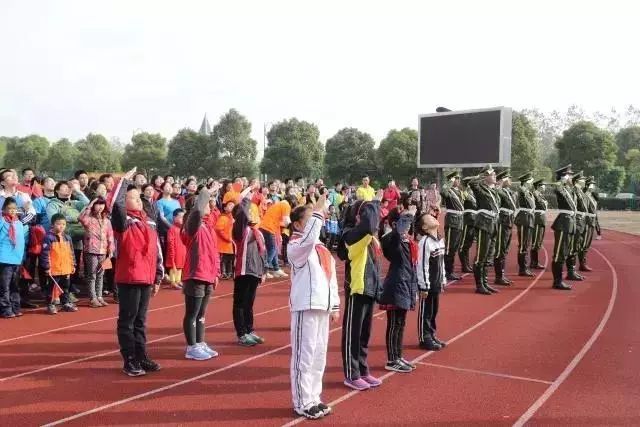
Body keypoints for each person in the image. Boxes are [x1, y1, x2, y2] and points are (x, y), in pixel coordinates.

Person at [288, 195, 340, 420]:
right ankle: (302, 401)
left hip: (322, 306)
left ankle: (314, 397)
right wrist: (318, 210)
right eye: (309, 219)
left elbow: (331, 278)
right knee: (304, 356)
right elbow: (309, 237)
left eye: (316, 218)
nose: (315, 222)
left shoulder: (322, 249)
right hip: (305, 305)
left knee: (319, 356)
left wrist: (335, 305)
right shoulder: (296, 245)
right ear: (299, 224)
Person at [111, 168, 164, 377]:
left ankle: (141, 355)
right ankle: (129, 359)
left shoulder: (149, 221)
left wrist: (158, 276)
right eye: (131, 198)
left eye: (138, 197)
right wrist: (123, 182)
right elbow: (116, 204)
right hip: (130, 277)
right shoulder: (123, 223)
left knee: (141, 321)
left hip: (147, 277)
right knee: (128, 320)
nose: (138, 201)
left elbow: (156, 250)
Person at [340, 189, 384, 391]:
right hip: (357, 288)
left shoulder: (370, 237)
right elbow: (369, 224)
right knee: (353, 332)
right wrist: (374, 202)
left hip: (369, 288)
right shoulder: (351, 235)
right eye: (367, 211)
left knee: (365, 333)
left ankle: (363, 370)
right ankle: (351, 373)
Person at [181, 187, 220, 361]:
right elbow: (196, 212)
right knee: (193, 313)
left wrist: (216, 273)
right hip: (195, 275)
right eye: (206, 204)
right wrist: (206, 192)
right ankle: (191, 346)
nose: (209, 206)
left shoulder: (207, 227)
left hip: (208, 275)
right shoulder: (192, 228)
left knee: (202, 313)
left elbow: (214, 252)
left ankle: (200, 342)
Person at [379, 210, 418, 373]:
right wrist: (397, 230)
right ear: (395, 224)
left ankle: (398, 355)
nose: (407, 227)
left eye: (408, 224)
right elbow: (390, 243)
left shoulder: (408, 241)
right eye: (404, 223)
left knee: (401, 323)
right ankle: (391, 359)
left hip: (406, 285)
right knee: (394, 324)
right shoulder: (390, 239)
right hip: (395, 286)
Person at [232, 184, 267, 347]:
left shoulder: (256, 231)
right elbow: (242, 212)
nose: (252, 214)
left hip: (255, 271)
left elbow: (263, 252)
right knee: (240, 303)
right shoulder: (240, 229)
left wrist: (264, 270)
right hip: (243, 270)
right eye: (249, 212)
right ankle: (241, 333)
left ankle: (249, 329)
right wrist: (249, 192)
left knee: (249, 303)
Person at [415, 211, 447, 350]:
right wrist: (424, 286)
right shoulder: (425, 242)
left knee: (434, 310)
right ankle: (424, 337)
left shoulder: (440, 239)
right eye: (429, 218)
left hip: (437, 282)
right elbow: (422, 265)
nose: (433, 217)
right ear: (425, 228)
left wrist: (443, 278)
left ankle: (432, 334)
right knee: (426, 311)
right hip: (427, 284)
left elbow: (442, 263)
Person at [470, 166, 500, 295]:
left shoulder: (493, 191)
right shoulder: (480, 188)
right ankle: (479, 285)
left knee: (489, 256)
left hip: (493, 223)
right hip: (484, 223)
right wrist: (482, 174)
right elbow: (471, 183)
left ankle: (486, 283)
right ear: (486, 176)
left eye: (493, 174)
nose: (494, 176)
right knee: (481, 256)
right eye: (492, 174)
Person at [79, 197, 114, 308]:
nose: (100, 207)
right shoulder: (89, 219)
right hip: (91, 250)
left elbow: (110, 236)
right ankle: (92, 298)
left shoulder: (107, 220)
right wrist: (91, 204)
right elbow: (81, 218)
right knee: (92, 274)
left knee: (100, 274)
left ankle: (99, 296)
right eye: (98, 204)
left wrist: (111, 249)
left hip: (103, 251)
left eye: (102, 204)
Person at [41, 214, 78, 314]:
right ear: (53, 225)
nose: (61, 226)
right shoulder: (48, 238)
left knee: (65, 287)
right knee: (52, 288)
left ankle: (65, 303)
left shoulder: (67, 238)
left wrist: (72, 264)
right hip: (54, 269)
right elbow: (45, 254)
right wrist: (47, 267)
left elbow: (71, 252)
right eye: (58, 224)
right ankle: (50, 304)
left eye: (63, 224)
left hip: (66, 268)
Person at [551, 164, 576, 290]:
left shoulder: (568, 189)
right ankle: (557, 281)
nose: (572, 177)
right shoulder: (560, 188)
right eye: (569, 175)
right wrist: (560, 180)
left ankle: (560, 279)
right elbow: (557, 188)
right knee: (559, 254)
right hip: (563, 223)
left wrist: (567, 183)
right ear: (564, 176)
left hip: (569, 223)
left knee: (565, 252)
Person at [0, 197, 26, 318]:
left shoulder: (19, 223)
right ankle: (5, 309)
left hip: (16, 259)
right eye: (9, 208)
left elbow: (21, 241)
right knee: (4, 286)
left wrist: (21, 258)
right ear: (4, 209)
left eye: (14, 209)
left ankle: (15, 307)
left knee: (14, 285)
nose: (12, 211)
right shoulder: (2, 221)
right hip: (4, 258)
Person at [494, 170, 516, 286]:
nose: (511, 180)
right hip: (502, 222)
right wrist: (500, 183)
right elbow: (496, 193)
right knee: (500, 250)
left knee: (505, 250)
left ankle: (502, 274)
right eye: (508, 178)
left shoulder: (510, 192)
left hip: (509, 222)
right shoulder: (500, 191)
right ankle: (498, 276)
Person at [441, 171, 464, 281]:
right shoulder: (449, 191)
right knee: (449, 248)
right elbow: (443, 192)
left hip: (459, 221)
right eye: (456, 178)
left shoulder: (459, 192)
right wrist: (449, 183)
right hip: (452, 221)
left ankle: (450, 270)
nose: (458, 180)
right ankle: (446, 271)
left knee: (454, 248)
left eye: (459, 179)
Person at [259, 199, 291, 279]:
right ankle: (263, 269)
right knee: (273, 249)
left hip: (264, 227)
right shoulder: (286, 205)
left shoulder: (277, 206)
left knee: (273, 249)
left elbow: (278, 222)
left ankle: (275, 268)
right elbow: (286, 221)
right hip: (268, 228)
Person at [566, 171, 588, 282]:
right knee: (572, 247)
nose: (584, 181)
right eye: (582, 179)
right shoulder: (574, 190)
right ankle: (570, 271)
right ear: (577, 181)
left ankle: (573, 270)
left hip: (581, 221)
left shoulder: (580, 191)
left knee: (576, 246)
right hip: (576, 220)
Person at [514, 173, 536, 277]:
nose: (532, 183)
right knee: (523, 245)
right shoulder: (522, 190)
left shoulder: (528, 191)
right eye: (530, 181)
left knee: (526, 244)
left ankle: (525, 267)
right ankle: (522, 268)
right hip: (523, 218)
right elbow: (520, 190)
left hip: (529, 219)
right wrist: (523, 184)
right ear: (526, 181)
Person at [458, 176, 477, 273]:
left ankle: (467, 265)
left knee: (468, 244)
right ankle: (464, 266)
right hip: (467, 219)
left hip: (473, 220)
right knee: (463, 244)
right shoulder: (464, 192)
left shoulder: (472, 192)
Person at [580, 176, 598, 271]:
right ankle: (582, 264)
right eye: (592, 184)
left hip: (592, 221)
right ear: (587, 185)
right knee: (584, 243)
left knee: (587, 243)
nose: (593, 186)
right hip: (587, 221)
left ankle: (583, 262)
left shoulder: (591, 195)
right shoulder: (585, 195)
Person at [165, 209, 186, 290]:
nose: (182, 219)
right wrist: (171, 253)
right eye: (180, 217)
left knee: (180, 266)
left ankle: (178, 280)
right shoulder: (172, 229)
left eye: (183, 217)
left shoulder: (183, 229)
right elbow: (170, 242)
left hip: (182, 252)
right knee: (173, 266)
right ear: (174, 218)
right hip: (175, 252)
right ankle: (173, 281)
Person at [530, 179, 548, 270]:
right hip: (537, 219)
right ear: (539, 186)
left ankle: (535, 261)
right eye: (543, 185)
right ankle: (533, 262)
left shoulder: (540, 195)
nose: (545, 187)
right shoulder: (534, 194)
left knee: (539, 241)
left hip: (541, 220)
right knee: (535, 241)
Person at [215, 201, 235, 280]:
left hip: (230, 244)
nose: (232, 207)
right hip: (224, 243)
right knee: (224, 259)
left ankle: (229, 272)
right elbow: (219, 229)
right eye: (229, 205)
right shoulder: (223, 217)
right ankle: (223, 273)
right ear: (225, 208)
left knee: (230, 259)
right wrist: (228, 238)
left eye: (233, 205)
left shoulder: (233, 218)